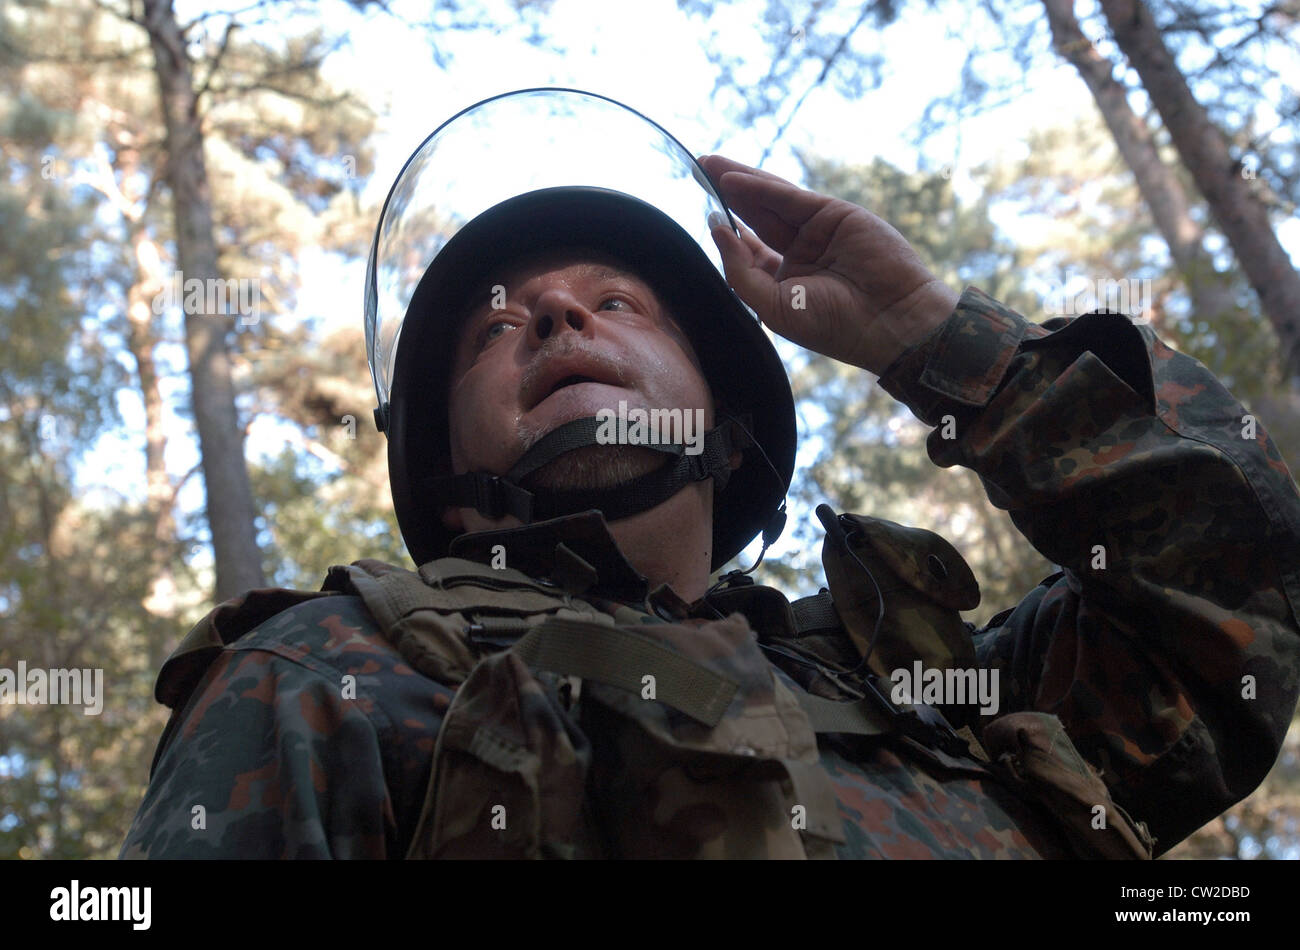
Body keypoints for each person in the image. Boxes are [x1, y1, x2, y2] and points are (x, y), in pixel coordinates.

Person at [120, 90, 1300, 860]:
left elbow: (1236, 589)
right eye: (495, 329)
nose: (557, 312)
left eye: (615, 301)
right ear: (445, 467)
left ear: (726, 422)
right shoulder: (332, 668)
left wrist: (931, 336)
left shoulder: (945, 696)